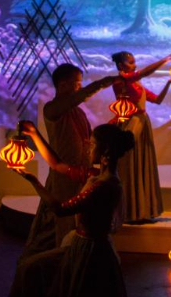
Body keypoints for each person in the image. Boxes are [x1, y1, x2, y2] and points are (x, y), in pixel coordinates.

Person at [0, 121, 133, 297]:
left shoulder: (105, 186)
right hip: (80, 244)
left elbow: (60, 208)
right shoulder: (95, 176)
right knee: (33, 271)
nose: (88, 148)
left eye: (92, 144)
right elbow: (58, 165)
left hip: (90, 252)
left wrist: (34, 182)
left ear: (106, 152)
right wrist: (35, 134)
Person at [22, 63, 119, 259]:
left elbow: (89, 140)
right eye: (77, 84)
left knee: (82, 221)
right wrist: (103, 83)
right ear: (63, 85)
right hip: (64, 176)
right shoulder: (52, 109)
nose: (79, 88)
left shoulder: (79, 112)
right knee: (64, 224)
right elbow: (78, 98)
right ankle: (63, 263)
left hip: (83, 174)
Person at [111, 49, 171, 223]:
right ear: (121, 65)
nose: (134, 65)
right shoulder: (120, 81)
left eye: (134, 61)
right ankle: (128, 211)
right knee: (129, 166)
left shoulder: (136, 84)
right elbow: (144, 73)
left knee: (141, 165)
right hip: (130, 124)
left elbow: (157, 100)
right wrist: (167, 58)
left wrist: (169, 83)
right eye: (130, 62)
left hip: (141, 123)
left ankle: (140, 211)